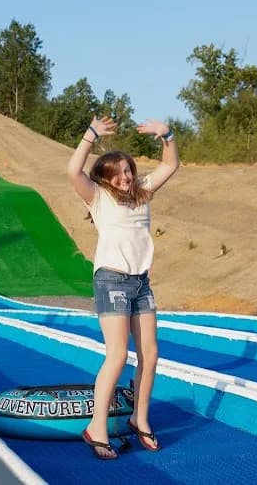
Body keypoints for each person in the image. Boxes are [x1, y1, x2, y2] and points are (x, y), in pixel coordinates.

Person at [67, 116, 180, 459]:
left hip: (141, 282)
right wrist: (90, 135)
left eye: (128, 169)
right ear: (105, 177)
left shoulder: (143, 192)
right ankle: (96, 427)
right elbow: (73, 171)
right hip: (112, 280)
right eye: (117, 172)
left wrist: (168, 135)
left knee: (151, 353)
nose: (125, 175)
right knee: (117, 355)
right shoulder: (98, 197)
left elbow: (171, 163)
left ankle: (139, 419)